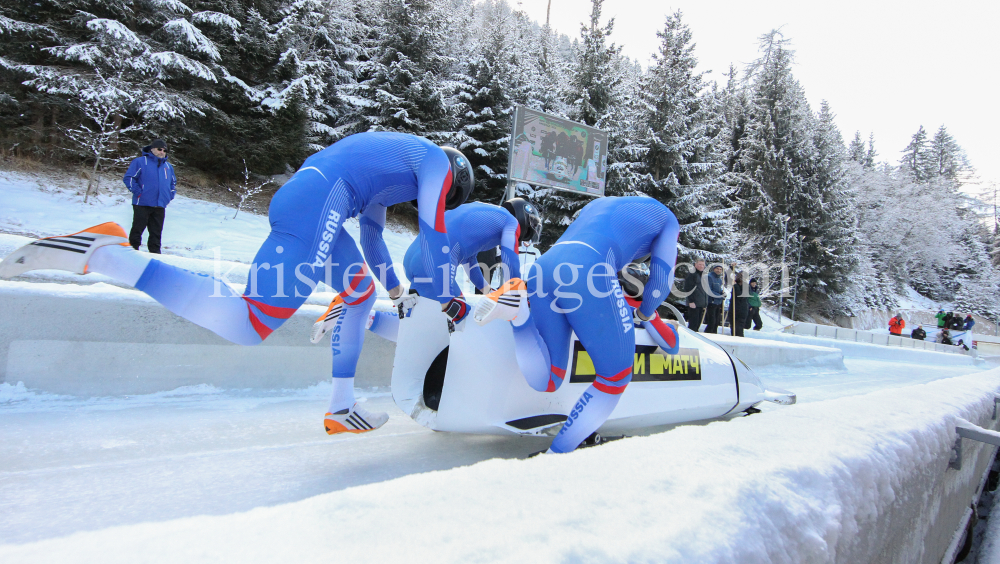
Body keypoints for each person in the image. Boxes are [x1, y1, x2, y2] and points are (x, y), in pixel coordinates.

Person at [0, 132, 475, 436]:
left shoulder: (395, 166)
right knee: (250, 322)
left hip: (311, 192)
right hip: (322, 202)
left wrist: (396, 292)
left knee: (359, 291)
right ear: (453, 180)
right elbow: (434, 229)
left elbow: (372, 235)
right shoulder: (434, 160)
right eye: (444, 196)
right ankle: (106, 255)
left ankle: (340, 406)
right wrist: (448, 299)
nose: (428, 198)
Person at [474, 196, 681, 454]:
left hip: (545, 267)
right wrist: (647, 313)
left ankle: (519, 316)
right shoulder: (669, 221)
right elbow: (660, 284)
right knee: (615, 376)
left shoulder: (604, 204)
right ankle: (557, 453)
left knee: (549, 379)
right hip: (588, 267)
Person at [313, 198, 542, 343]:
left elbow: (469, 259)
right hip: (437, 264)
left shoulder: (484, 212)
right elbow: (511, 258)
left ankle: (357, 313)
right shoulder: (509, 222)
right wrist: (517, 292)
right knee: (463, 328)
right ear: (525, 218)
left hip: (415, 258)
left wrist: (485, 288)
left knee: (415, 327)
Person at [122, 139, 176, 254]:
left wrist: (169, 196)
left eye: (164, 150)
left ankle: (155, 256)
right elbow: (129, 178)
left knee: (156, 233)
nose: (162, 152)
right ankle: (132, 253)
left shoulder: (168, 166)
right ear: (152, 149)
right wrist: (139, 192)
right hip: (142, 203)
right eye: (159, 149)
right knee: (137, 230)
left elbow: (173, 183)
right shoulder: (140, 162)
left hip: (160, 204)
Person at [704, 264, 725, 334]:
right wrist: (719, 296)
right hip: (711, 302)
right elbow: (709, 290)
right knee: (712, 321)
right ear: (714, 269)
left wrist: (722, 293)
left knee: (716, 321)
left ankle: (714, 334)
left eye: (720, 269)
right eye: (717, 269)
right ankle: (708, 334)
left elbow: (717, 290)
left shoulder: (719, 279)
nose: (719, 270)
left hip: (717, 302)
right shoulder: (709, 277)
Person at [729, 271, 749, 337]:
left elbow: (740, 296)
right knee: (733, 326)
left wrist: (735, 286)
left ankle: (739, 339)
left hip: (741, 310)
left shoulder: (745, 286)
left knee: (739, 327)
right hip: (733, 308)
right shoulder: (735, 284)